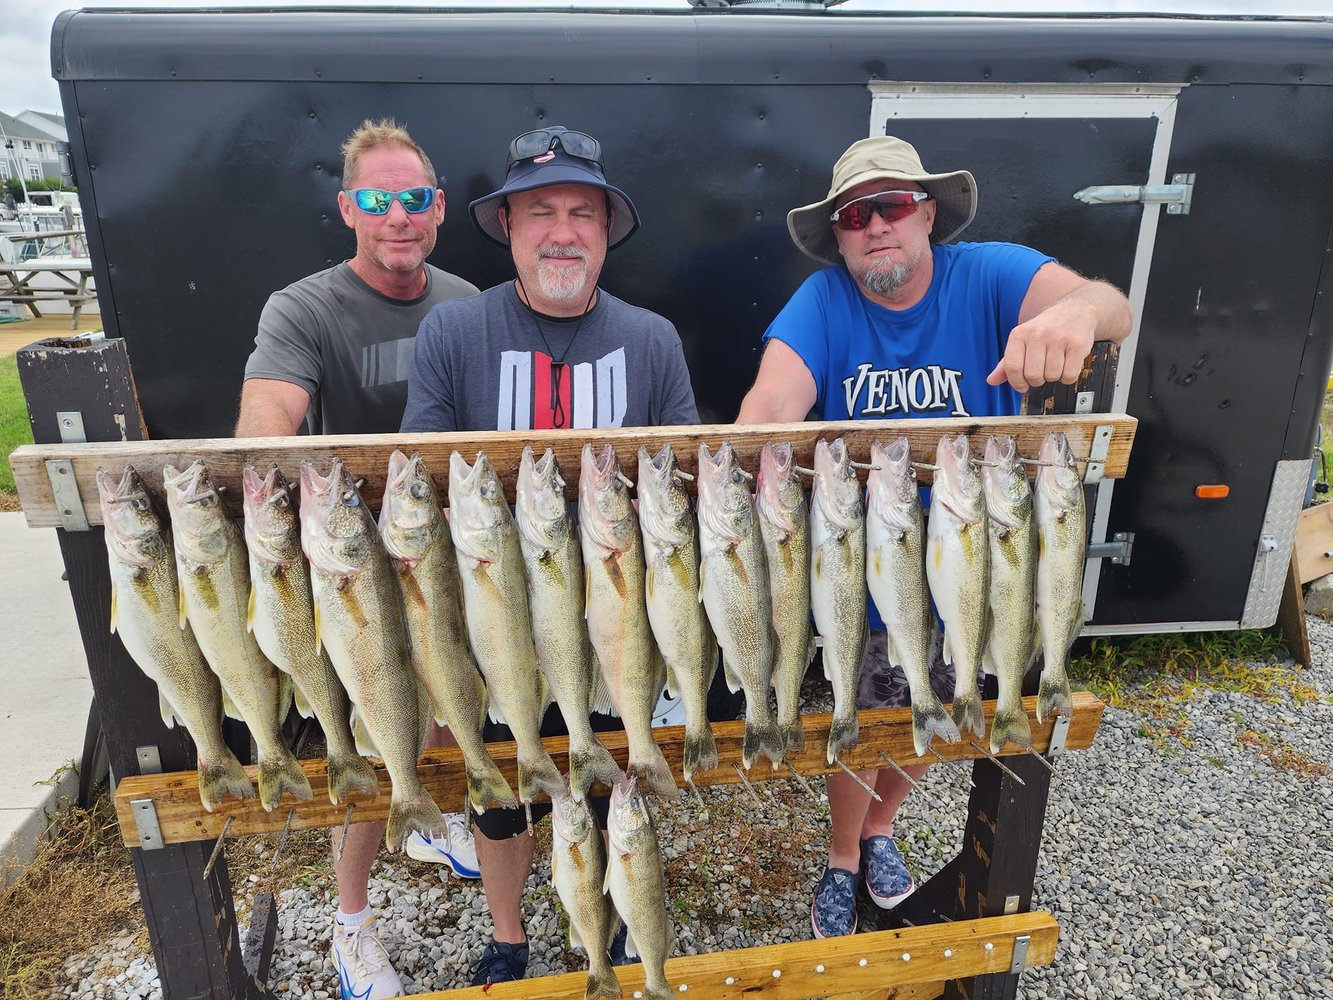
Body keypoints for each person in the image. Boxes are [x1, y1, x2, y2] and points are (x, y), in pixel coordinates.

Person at [736, 135, 1133, 939]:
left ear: (924, 212)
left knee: (934, 698)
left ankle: (882, 831)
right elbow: (772, 397)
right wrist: (759, 434)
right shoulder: (820, 302)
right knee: (870, 703)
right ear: (838, 234)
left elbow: (1112, 305)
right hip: (869, 562)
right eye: (853, 215)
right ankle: (843, 853)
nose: (873, 226)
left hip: (977, 555)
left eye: (889, 205)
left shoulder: (990, 271)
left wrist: (1076, 312)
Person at [401, 125, 699, 985]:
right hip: (499, 613)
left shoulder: (651, 339)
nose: (561, 230)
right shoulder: (453, 333)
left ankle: (612, 919)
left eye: (581, 212)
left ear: (607, 231)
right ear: (507, 228)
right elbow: (423, 470)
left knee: (612, 775)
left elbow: (679, 475)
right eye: (540, 212)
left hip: (613, 612)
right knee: (501, 788)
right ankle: (508, 934)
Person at [235, 118, 481, 1000]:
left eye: (413, 198)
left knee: (452, 705)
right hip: (347, 570)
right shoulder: (302, 308)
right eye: (377, 200)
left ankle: (430, 822)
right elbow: (263, 429)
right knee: (372, 739)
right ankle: (350, 923)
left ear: (438, 209)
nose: (397, 217)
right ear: (348, 209)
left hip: (440, 554)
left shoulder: (465, 301)